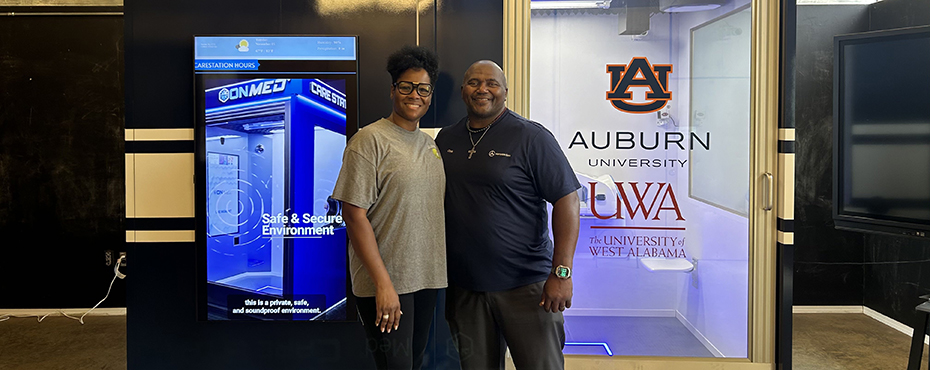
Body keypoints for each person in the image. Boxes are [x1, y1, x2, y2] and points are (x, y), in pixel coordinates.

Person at [434, 60, 581, 370]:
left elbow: (567, 200)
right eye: (474, 82)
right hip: (465, 289)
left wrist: (561, 273)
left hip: (527, 288)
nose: (482, 89)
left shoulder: (531, 137)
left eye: (492, 83)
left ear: (505, 92)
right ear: (463, 91)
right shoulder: (446, 139)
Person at [332, 45, 446, 370]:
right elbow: (353, 216)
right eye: (407, 87)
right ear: (393, 90)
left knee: (412, 364)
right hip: (387, 283)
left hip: (426, 278)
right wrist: (384, 284)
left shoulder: (429, 144)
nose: (415, 95)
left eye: (423, 89)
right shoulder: (369, 141)